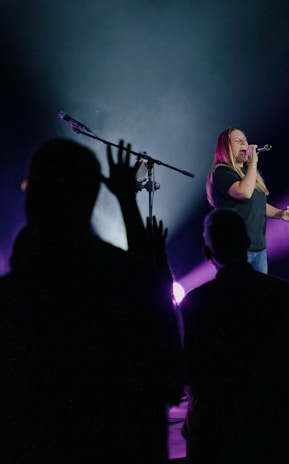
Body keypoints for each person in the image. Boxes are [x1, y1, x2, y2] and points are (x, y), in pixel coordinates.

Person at [0, 138, 183, 463]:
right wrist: (127, 199)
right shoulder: (131, 279)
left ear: (34, 200)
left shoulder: (12, 297)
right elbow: (169, 380)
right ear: (91, 196)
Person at [179, 208, 289, 464]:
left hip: (211, 430)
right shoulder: (280, 293)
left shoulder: (195, 302)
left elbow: (185, 370)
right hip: (268, 425)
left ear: (206, 252)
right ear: (247, 243)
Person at [206, 127, 289, 274]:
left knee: (258, 294)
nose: (245, 143)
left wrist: (279, 214)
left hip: (258, 248)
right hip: (236, 248)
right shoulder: (221, 171)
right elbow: (244, 192)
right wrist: (252, 163)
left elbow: (257, 204)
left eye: (245, 139)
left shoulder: (247, 174)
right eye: (238, 141)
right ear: (226, 147)